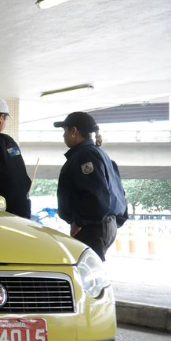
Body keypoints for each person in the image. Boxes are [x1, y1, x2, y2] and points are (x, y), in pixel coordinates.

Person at [54, 112, 128, 261]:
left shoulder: (85, 156)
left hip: (92, 227)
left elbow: (96, 193)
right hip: (102, 224)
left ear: (74, 131)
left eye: (65, 131)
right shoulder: (98, 153)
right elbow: (118, 193)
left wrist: (80, 222)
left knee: (89, 276)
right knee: (89, 272)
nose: (63, 136)